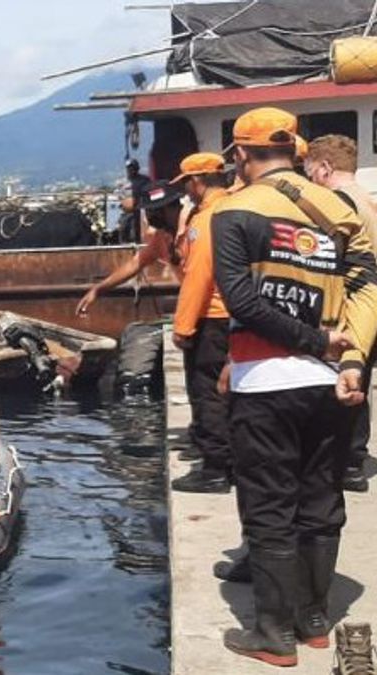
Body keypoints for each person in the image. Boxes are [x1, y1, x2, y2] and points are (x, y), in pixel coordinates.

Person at [212, 107, 377, 667]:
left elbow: (243, 302)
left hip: (267, 383)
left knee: (268, 507)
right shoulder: (339, 208)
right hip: (330, 383)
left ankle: (273, 634)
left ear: (240, 154)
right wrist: (349, 358)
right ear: (298, 151)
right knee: (321, 499)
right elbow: (365, 290)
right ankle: (313, 618)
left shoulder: (234, 209)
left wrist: (311, 341)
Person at [306, 133, 377, 492]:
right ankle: (354, 457)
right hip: (372, 302)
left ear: (324, 168)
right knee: (359, 379)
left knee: (348, 381)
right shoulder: (366, 199)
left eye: (309, 172)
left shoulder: (335, 203)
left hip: (351, 304)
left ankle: (346, 462)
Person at [168, 152, 234, 493]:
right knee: (231, 393)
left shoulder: (205, 220)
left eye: (188, 185)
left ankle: (214, 469)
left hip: (213, 316)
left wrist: (183, 326)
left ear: (198, 180)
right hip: (234, 316)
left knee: (207, 392)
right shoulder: (234, 208)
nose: (187, 193)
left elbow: (198, 275)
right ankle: (230, 461)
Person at [76, 181, 185, 316]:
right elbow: (134, 264)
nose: (151, 216)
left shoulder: (194, 232)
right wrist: (98, 289)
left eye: (156, 210)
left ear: (173, 207)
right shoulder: (162, 237)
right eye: (149, 211)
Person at [124, 158, 152, 243]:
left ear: (136, 168)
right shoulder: (128, 183)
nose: (129, 170)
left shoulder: (144, 180)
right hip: (132, 211)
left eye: (131, 168)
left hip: (143, 210)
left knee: (141, 230)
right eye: (128, 168)